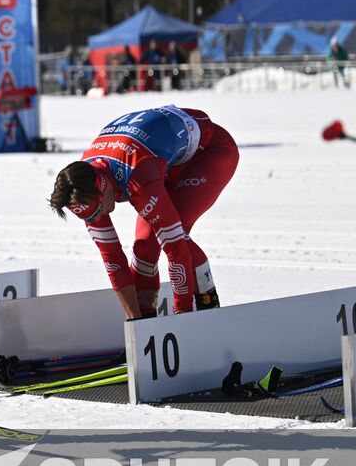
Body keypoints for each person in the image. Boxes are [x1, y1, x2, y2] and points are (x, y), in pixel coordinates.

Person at [48, 105, 238, 319]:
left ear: (104, 189)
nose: (98, 218)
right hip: (163, 158)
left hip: (210, 152)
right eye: (89, 217)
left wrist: (182, 316)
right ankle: (147, 323)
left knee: (176, 235)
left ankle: (208, 306)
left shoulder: (137, 176)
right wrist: (135, 325)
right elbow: (113, 259)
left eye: (99, 210)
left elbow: (175, 249)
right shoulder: (82, 187)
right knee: (144, 248)